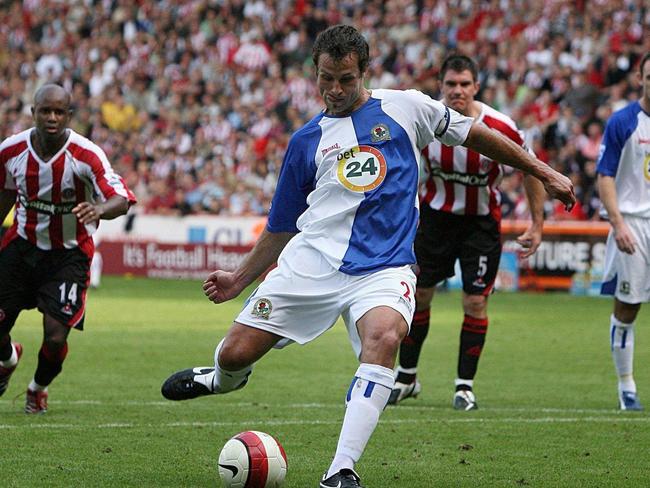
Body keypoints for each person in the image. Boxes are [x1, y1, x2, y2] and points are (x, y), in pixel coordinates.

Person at [161, 25, 574, 488]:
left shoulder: (407, 107)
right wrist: (239, 279)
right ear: (314, 74)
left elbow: (476, 136)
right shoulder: (305, 142)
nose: (335, 90)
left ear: (364, 72)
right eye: (326, 79)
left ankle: (340, 469)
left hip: (385, 266)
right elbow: (280, 227)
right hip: (312, 263)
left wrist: (544, 171)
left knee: (384, 337)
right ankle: (220, 379)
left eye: (346, 79)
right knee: (236, 355)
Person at [389, 54, 547, 411]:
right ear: (440, 87)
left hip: (480, 224)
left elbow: (531, 169)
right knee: (419, 297)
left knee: (475, 301)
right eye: (450, 84)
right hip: (434, 220)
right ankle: (407, 376)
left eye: (464, 84)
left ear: (476, 87)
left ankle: (464, 387)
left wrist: (537, 225)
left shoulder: (500, 127)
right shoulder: (425, 122)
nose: (457, 91)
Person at [0, 84, 136, 414]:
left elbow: (121, 198)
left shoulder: (86, 154)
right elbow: (4, 195)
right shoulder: (11, 150)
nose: (52, 117)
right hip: (21, 247)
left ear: (69, 116)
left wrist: (100, 210)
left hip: (68, 254)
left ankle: (37, 388)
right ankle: (8, 359)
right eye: (45, 111)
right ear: (33, 113)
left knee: (56, 336)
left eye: (59, 112)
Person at [597, 52, 650, 412]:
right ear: (641, 77)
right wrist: (618, 224)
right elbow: (606, 176)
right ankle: (626, 385)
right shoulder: (624, 122)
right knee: (628, 307)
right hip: (633, 224)